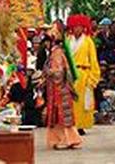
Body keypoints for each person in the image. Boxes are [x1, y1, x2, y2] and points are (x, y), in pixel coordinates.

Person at [45, 21, 82, 150]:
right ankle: (62, 139)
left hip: (59, 87)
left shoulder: (57, 52)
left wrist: (48, 73)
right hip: (57, 87)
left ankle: (66, 139)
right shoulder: (58, 51)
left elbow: (59, 71)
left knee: (61, 114)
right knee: (58, 114)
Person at [67, 14, 101, 135]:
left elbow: (93, 60)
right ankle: (70, 124)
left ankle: (81, 125)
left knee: (82, 101)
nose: (77, 29)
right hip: (69, 73)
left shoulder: (88, 41)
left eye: (80, 27)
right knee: (70, 101)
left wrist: (93, 77)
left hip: (83, 72)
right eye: (75, 27)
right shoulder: (67, 40)